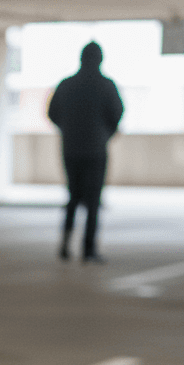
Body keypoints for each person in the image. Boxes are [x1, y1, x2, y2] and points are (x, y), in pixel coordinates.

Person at [47, 41, 124, 263]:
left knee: (72, 197)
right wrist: (104, 134)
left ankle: (64, 245)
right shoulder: (106, 85)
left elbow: (52, 113)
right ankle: (88, 250)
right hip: (96, 151)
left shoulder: (66, 84)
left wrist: (68, 130)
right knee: (93, 201)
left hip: (70, 149)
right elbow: (117, 113)